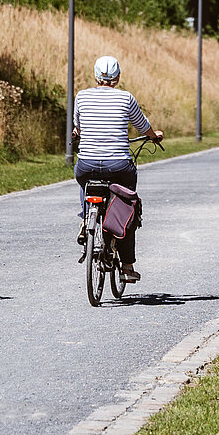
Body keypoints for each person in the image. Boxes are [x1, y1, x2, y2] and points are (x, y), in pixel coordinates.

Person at [71, 55, 162, 283]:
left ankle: (85, 219)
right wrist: (154, 136)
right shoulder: (126, 98)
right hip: (118, 165)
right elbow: (142, 125)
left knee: (86, 180)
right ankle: (127, 266)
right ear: (118, 77)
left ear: (95, 75)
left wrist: (79, 134)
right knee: (127, 206)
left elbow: (78, 126)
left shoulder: (81, 97)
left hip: (87, 164)